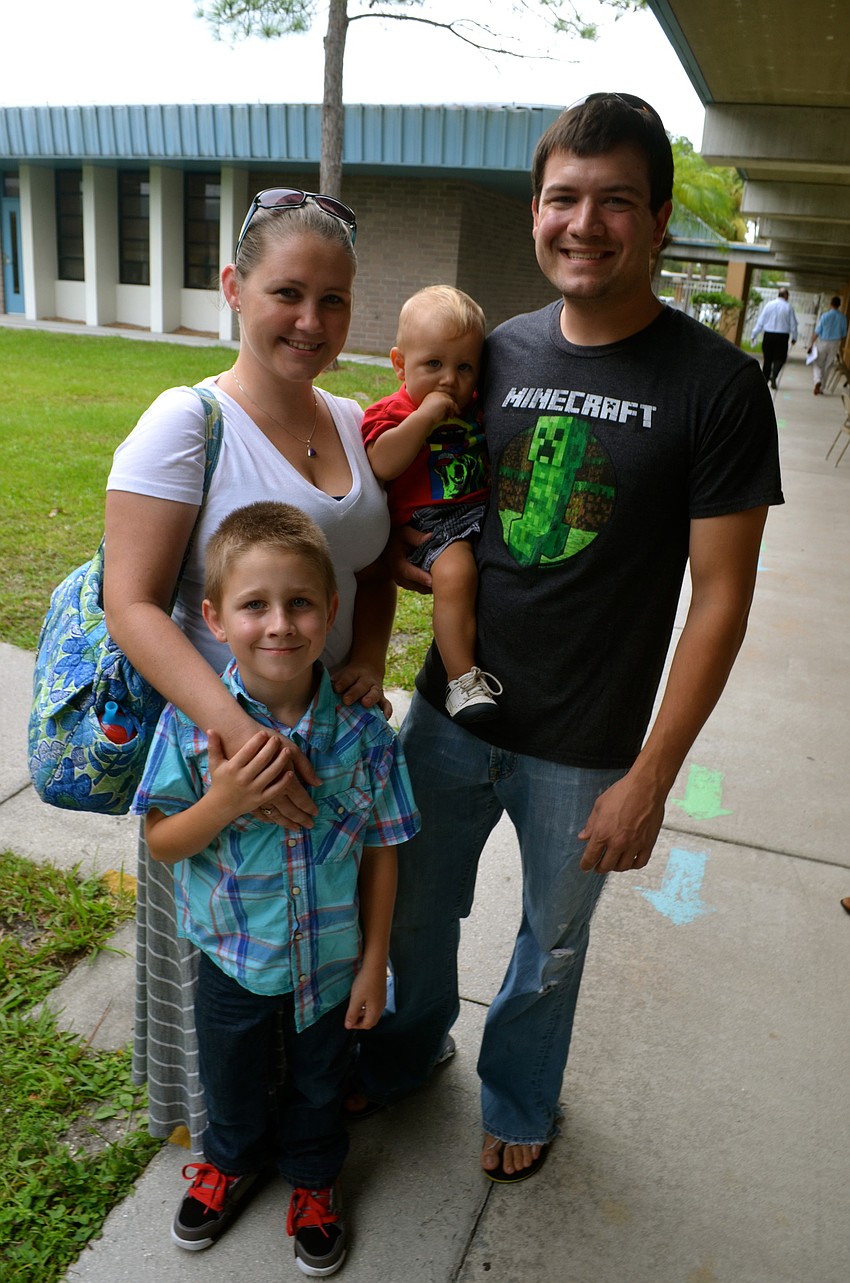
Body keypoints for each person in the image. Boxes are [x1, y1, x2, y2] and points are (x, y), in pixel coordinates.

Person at [348, 92, 784, 1182]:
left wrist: (652, 773)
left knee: (548, 946)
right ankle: (410, 1046)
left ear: (659, 216)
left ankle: (519, 1093)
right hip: (453, 708)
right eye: (562, 198)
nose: (583, 223)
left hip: (586, 741)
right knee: (409, 913)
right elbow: (430, 502)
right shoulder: (488, 353)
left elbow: (719, 597)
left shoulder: (717, 387)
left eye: (614, 201)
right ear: (536, 208)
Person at [104, 191, 397, 1167]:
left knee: (322, 946)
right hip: (218, 752)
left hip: (329, 736)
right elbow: (133, 601)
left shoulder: (354, 421)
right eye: (286, 293)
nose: (310, 321)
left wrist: (363, 656)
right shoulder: (184, 422)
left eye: (334, 300)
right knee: (229, 978)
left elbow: (366, 559)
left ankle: (312, 1133)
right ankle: (227, 1148)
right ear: (234, 289)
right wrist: (235, 739)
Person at [132, 502, 418, 1274]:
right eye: (254, 604)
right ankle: (231, 1160)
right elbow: (162, 842)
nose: (280, 624)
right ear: (215, 618)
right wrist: (223, 800)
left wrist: (373, 961)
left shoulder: (365, 736)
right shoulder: (193, 730)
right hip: (231, 959)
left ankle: (316, 1180)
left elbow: (384, 847)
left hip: (332, 964)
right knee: (230, 1080)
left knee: (322, 1085)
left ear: (331, 612)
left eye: (299, 603)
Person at [361, 285, 501, 724]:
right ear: (400, 364)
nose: (449, 380)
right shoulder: (392, 412)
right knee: (456, 573)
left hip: (481, 510)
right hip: (432, 520)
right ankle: (461, 681)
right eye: (433, 365)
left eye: (464, 367)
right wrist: (423, 419)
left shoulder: (474, 407)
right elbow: (382, 463)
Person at [751, 287, 798, 389]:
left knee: (767, 359)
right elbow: (793, 324)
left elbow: (761, 321)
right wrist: (794, 337)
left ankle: (764, 382)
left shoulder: (769, 305)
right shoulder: (788, 307)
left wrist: (754, 334)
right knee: (780, 358)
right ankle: (774, 375)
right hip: (782, 336)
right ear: (785, 296)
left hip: (768, 335)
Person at [808, 295, 848, 395]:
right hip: (834, 343)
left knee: (817, 363)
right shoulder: (843, 318)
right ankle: (821, 388)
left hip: (822, 342)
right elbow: (844, 334)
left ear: (830, 304)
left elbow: (817, 331)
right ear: (839, 305)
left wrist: (811, 343)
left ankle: (817, 380)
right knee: (828, 366)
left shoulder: (825, 316)